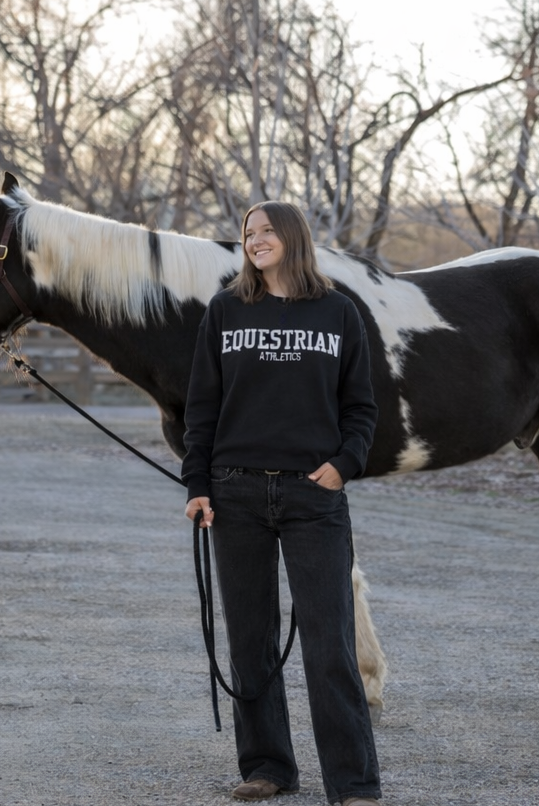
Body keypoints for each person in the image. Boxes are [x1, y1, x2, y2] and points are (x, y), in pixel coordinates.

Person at [182, 200, 381, 806]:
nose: (255, 240)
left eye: (267, 231)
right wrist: (198, 485)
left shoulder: (338, 312)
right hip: (235, 493)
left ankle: (353, 784)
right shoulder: (224, 310)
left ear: (293, 238)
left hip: (311, 496)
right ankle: (269, 767)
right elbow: (202, 409)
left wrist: (342, 467)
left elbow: (361, 409)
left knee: (330, 645)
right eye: (248, 232)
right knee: (249, 639)